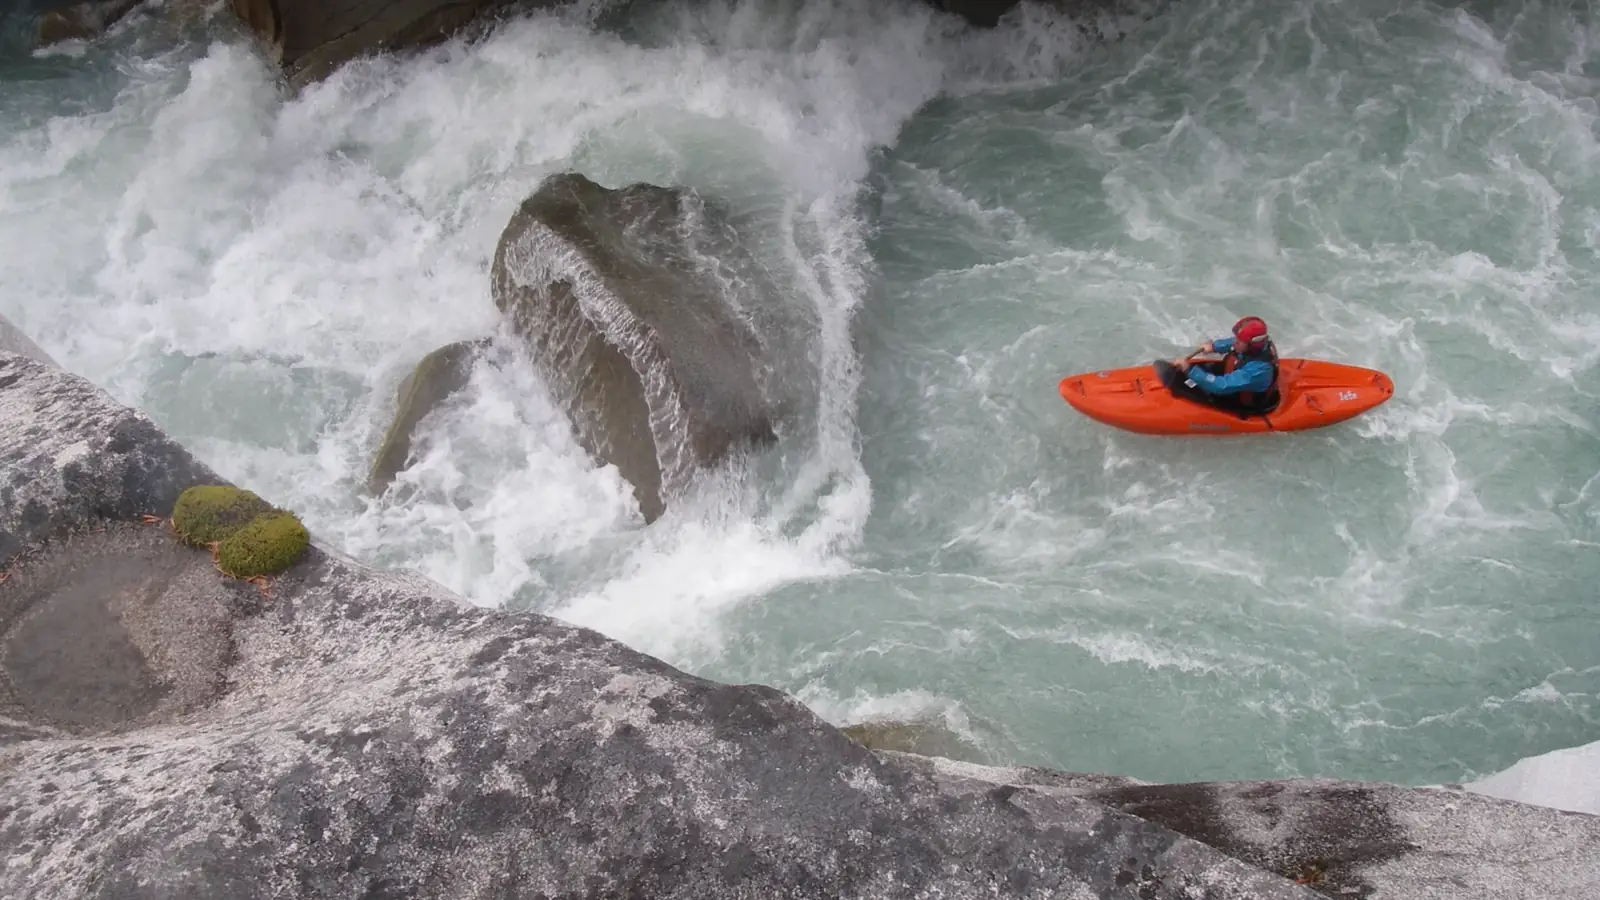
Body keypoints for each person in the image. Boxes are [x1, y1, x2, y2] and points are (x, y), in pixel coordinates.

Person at [1153, 316, 1280, 416]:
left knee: (1191, 383)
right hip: (1237, 379)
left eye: (1239, 341)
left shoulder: (1258, 370)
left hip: (1239, 400)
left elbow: (1221, 386)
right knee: (1198, 371)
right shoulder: (1257, 345)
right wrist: (1214, 346)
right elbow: (1233, 343)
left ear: (1251, 344)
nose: (1235, 342)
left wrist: (1189, 370)